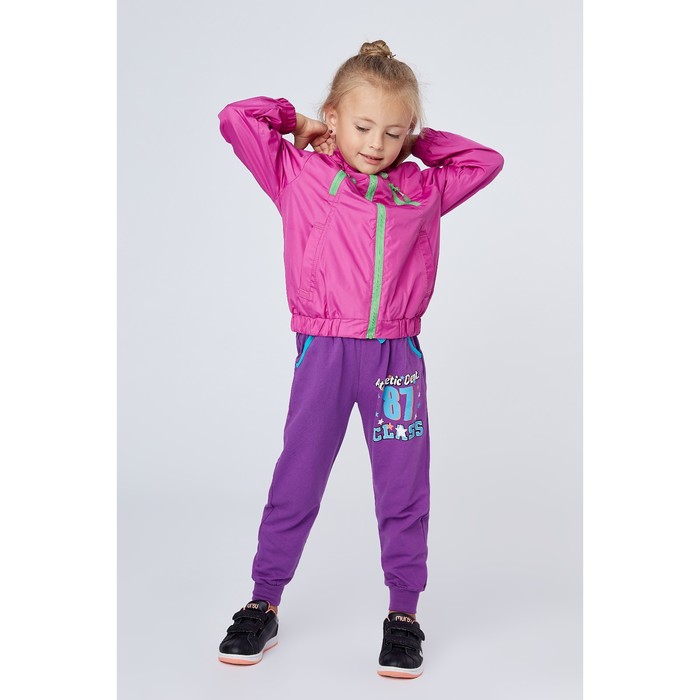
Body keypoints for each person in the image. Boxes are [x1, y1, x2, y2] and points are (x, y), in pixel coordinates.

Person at [215, 39, 504, 678]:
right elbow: (236, 118)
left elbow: (487, 161)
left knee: (403, 485)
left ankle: (404, 614)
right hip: (323, 351)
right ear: (335, 117)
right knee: (298, 478)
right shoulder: (297, 174)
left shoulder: (421, 188)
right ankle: (264, 601)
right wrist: (297, 121)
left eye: (393, 132)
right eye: (363, 126)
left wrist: (420, 144)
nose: (376, 144)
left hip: (395, 358)